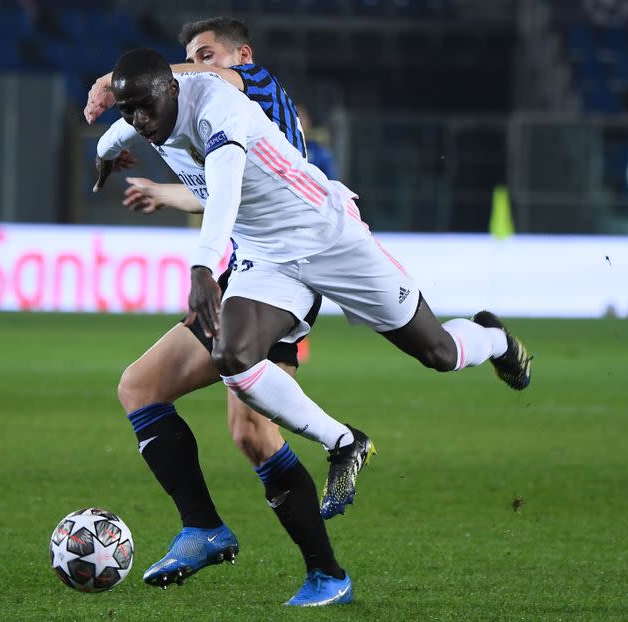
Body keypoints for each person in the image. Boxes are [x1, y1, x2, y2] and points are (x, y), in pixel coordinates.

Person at [96, 45, 533, 598]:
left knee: (439, 353)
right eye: (127, 110)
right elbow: (129, 127)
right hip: (267, 259)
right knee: (233, 357)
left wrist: (204, 265)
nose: (137, 121)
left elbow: (225, 187)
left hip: (330, 237)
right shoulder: (151, 113)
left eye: (143, 109)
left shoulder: (220, 107)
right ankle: (341, 443)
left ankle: (492, 337)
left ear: (174, 87)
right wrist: (106, 150)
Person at [85, 18, 364, 607]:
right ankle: (205, 529)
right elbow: (219, 191)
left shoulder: (251, 85)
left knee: (252, 433)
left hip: (281, 272)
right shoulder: (206, 124)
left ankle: (326, 572)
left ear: (242, 54)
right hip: (245, 272)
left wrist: (118, 80)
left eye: (207, 54)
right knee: (148, 391)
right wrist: (121, 155)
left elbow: (208, 89)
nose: (198, 65)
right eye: (189, 56)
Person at [296, 103, 338, 180]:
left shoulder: (319, 151)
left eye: (302, 118)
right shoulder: (280, 146)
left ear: (309, 122)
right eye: (295, 118)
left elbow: (331, 179)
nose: (299, 122)